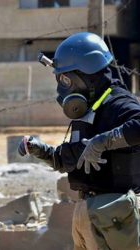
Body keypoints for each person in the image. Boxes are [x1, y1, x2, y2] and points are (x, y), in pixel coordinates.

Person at [18, 32, 140, 250]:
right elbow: (76, 157)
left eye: (65, 79)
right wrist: (44, 151)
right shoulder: (88, 111)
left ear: (87, 74)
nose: (62, 88)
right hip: (87, 213)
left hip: (116, 215)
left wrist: (103, 142)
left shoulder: (119, 104)